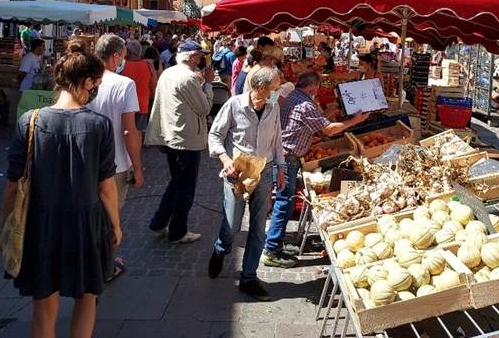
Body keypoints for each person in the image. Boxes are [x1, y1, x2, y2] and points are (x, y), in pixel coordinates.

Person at [1, 42, 120, 337]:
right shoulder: (99, 125)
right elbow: (106, 186)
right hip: (85, 223)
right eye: (95, 83)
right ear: (88, 81)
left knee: (42, 306)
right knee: (87, 296)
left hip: (40, 222)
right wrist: (115, 225)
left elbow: (13, 185)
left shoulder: (29, 121)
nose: (95, 90)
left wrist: (6, 225)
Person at [263, 72, 369, 266]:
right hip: (287, 158)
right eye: (317, 89)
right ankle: (271, 250)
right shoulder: (305, 104)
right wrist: (356, 121)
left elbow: (317, 122)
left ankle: (276, 243)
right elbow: (326, 130)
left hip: (284, 155)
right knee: (283, 202)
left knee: (285, 200)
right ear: (312, 87)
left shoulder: (293, 97)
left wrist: (332, 112)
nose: (317, 92)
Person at [207, 67, 285, 301]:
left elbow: (277, 138)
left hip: (265, 168)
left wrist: (280, 168)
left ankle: (249, 277)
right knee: (231, 225)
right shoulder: (234, 105)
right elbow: (215, 135)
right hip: (238, 170)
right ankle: (221, 248)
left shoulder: (274, 107)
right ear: (261, 88)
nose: (278, 91)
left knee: (259, 227)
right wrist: (225, 160)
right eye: (275, 88)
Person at [146, 40, 214, 244]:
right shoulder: (188, 78)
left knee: (176, 182)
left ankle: (159, 221)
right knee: (185, 186)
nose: (202, 59)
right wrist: (208, 84)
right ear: (192, 56)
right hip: (186, 138)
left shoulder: (169, 73)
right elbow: (204, 108)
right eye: (200, 56)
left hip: (170, 134)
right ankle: (178, 230)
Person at [87, 35, 142, 280]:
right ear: (116, 56)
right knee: (111, 218)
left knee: (90, 214)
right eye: (123, 57)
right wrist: (137, 167)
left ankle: (92, 261)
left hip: (86, 160)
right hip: (116, 162)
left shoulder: (84, 80)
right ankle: (106, 267)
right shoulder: (124, 84)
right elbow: (129, 129)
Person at [121, 40, 157, 132]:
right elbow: (154, 86)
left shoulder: (121, 65)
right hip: (142, 105)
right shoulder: (148, 65)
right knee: (139, 134)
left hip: (125, 106)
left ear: (127, 52)